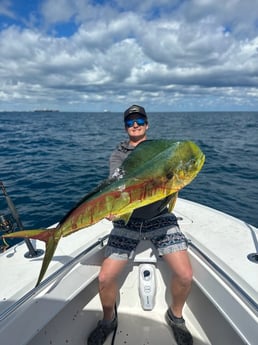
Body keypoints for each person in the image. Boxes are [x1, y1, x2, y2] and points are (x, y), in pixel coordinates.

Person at [87, 105, 193, 345]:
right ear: (125, 127)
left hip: (160, 217)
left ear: (147, 124)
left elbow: (176, 174)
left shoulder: (161, 151)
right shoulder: (117, 154)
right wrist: (111, 208)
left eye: (139, 120)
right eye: (130, 122)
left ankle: (175, 317)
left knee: (185, 275)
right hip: (128, 218)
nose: (135, 125)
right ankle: (108, 320)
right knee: (105, 278)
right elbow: (118, 185)